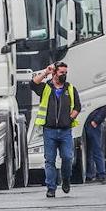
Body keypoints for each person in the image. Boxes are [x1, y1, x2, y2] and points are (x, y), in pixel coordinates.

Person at [30, 62, 81, 199]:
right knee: (50, 160)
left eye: (65, 73)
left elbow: (77, 107)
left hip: (65, 131)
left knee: (67, 157)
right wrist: (46, 72)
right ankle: (51, 188)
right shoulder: (46, 88)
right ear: (55, 73)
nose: (64, 75)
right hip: (50, 131)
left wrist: (70, 118)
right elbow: (33, 84)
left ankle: (66, 180)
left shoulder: (70, 88)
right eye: (61, 73)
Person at [84, 105, 106, 184]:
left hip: (93, 124)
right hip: (89, 122)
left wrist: (96, 121)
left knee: (96, 149)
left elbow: (105, 108)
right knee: (89, 150)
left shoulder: (100, 100)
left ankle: (101, 174)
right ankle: (91, 174)